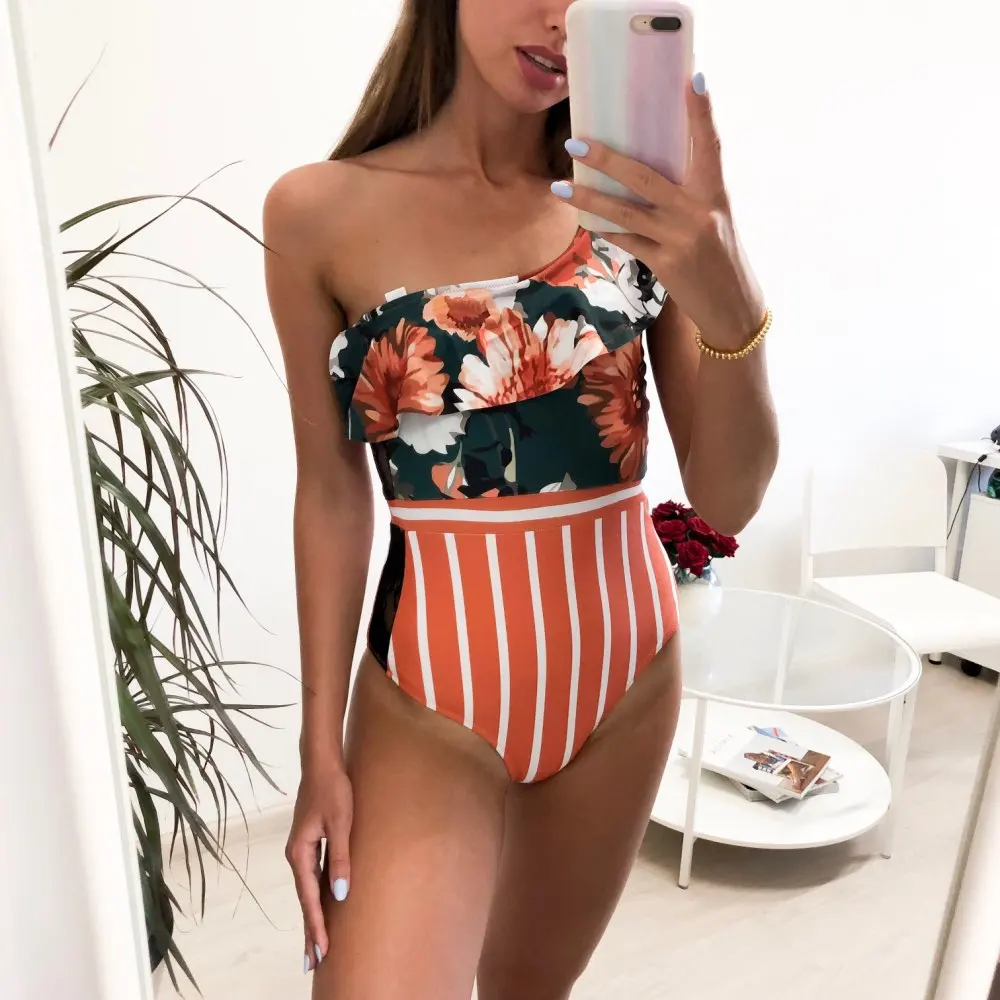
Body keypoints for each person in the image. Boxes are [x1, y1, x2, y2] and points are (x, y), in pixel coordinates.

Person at [262, 1, 779, 997]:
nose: (558, 18)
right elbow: (329, 491)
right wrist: (318, 749)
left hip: (626, 689)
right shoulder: (316, 213)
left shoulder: (638, 204)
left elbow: (729, 499)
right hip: (428, 708)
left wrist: (728, 292)